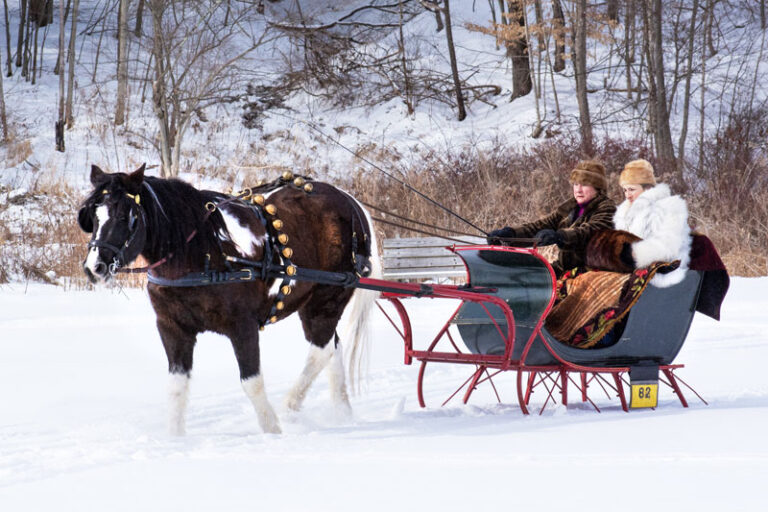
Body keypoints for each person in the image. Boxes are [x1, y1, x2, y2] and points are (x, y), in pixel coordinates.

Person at [487, 160, 616, 276]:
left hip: (591, 270)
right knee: (524, 276)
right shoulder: (570, 207)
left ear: (598, 188)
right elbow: (541, 226)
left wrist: (560, 236)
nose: (578, 190)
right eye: (576, 184)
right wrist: (510, 235)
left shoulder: (607, 208)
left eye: (584, 184)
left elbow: (590, 232)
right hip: (565, 268)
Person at [613, 159, 691, 287]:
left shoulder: (668, 206)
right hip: (631, 268)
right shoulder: (624, 212)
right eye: (625, 190)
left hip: (663, 272)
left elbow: (668, 247)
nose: (627, 195)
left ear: (647, 188)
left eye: (632, 189)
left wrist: (632, 254)